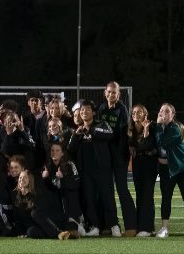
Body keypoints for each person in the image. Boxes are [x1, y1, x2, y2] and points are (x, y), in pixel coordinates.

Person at [67, 100, 117, 237]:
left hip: (103, 170)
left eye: (87, 109)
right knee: (89, 199)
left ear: (93, 112)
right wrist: (77, 135)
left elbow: (110, 134)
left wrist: (91, 130)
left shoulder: (101, 124)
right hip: (86, 172)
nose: (84, 112)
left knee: (107, 198)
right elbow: (70, 149)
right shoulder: (78, 129)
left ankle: (114, 225)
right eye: (82, 110)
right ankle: (94, 226)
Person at [153, 103, 184, 238]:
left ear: (172, 115)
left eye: (167, 111)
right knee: (166, 198)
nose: (163, 113)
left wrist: (157, 126)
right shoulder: (161, 127)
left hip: (182, 168)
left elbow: (161, 142)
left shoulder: (175, 128)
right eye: (161, 111)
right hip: (166, 169)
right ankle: (164, 228)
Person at [97, 82, 137, 237]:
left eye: (114, 92)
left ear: (118, 94)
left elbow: (121, 132)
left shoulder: (122, 109)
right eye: (109, 92)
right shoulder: (101, 109)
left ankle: (131, 226)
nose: (111, 94)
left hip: (119, 154)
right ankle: (110, 225)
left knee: (122, 189)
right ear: (105, 93)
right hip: (105, 155)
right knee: (106, 191)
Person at [11, 171, 72, 240]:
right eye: (20, 177)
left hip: (50, 222)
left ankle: (59, 233)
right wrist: (20, 233)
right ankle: (63, 234)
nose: (21, 180)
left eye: (25, 178)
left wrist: (28, 194)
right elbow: (17, 216)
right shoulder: (15, 194)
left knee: (35, 213)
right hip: (39, 226)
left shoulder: (37, 190)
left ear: (30, 180)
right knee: (30, 232)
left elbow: (41, 210)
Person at [129, 105, 159, 237]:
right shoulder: (131, 130)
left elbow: (147, 145)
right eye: (134, 112)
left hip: (149, 164)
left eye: (139, 112)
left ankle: (147, 228)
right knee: (140, 194)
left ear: (145, 114)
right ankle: (141, 226)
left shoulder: (152, 127)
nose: (136, 114)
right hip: (137, 164)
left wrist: (146, 130)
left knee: (147, 194)